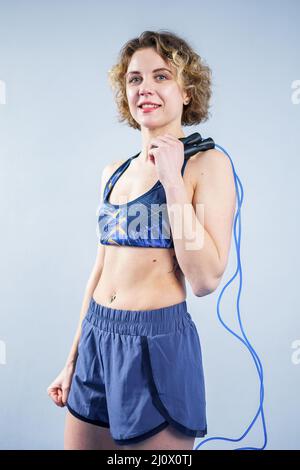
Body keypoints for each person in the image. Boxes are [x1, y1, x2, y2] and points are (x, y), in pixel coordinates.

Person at [47, 30, 236, 451]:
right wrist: (72, 360)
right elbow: (101, 269)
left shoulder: (208, 164)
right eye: (134, 79)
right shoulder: (114, 170)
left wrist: (171, 178)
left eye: (161, 76)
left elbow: (205, 280)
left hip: (157, 344)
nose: (145, 88)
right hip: (98, 336)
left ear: (186, 91)